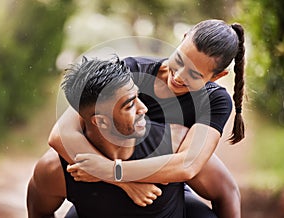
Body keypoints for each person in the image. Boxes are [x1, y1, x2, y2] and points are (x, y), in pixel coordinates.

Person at [49, 19, 245, 217]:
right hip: (104, 179)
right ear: (183, 39)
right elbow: (60, 134)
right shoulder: (132, 71)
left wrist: (113, 171)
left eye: (194, 74)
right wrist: (123, 182)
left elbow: (187, 164)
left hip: (166, 187)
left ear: (217, 76)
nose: (178, 76)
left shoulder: (214, 101)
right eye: (179, 59)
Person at [27, 56, 218, 217]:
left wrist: (115, 174)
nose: (144, 108)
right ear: (101, 121)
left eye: (138, 97)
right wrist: (126, 183)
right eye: (129, 105)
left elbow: (225, 192)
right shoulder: (55, 169)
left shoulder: (176, 141)